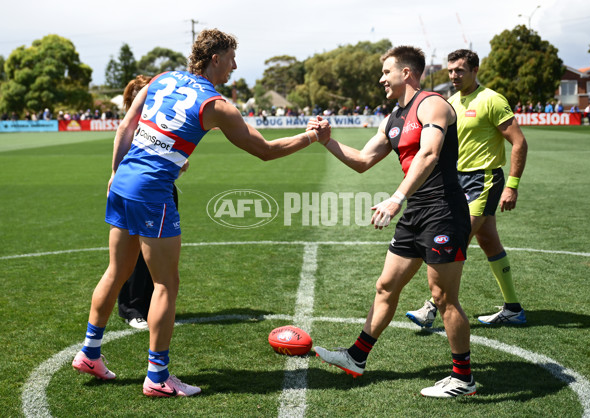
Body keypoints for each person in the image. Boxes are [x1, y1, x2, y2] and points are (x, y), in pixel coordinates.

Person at [71, 28, 327, 397]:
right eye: (232, 59)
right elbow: (265, 150)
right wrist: (310, 137)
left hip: (124, 181)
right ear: (215, 59)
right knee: (166, 284)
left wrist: (114, 172)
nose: (235, 67)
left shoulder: (161, 78)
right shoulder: (215, 104)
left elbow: (126, 126)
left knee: (116, 270)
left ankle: (89, 352)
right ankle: (157, 378)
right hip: (152, 192)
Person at [309, 45, 475, 398]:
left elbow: (429, 154)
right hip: (416, 210)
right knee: (386, 286)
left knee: (443, 297)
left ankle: (463, 379)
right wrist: (327, 141)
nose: (382, 79)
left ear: (406, 73)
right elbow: (362, 159)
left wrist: (396, 197)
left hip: (443, 210)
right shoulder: (393, 117)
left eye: (386, 72)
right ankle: (356, 357)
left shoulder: (432, 104)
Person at [406, 49, 528, 327]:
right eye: (450, 70)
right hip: (456, 181)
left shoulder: (492, 100)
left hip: (484, 180)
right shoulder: (449, 102)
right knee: (487, 240)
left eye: (460, 70)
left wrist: (512, 185)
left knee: (455, 238)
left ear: (475, 71)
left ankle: (430, 308)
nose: (453, 75)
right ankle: (513, 309)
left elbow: (519, 142)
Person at [116, 75, 186, 330]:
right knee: (130, 257)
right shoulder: (132, 127)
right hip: (138, 194)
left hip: (162, 191)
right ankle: (131, 308)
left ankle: (147, 306)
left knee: (155, 258)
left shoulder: (158, 125)